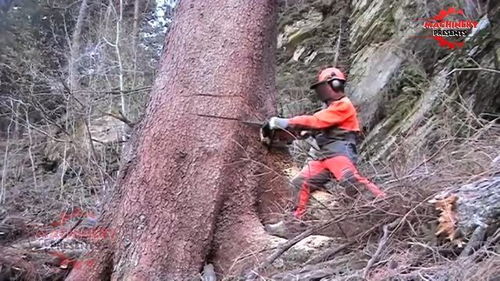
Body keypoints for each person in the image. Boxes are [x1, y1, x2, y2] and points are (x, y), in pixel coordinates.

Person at [267, 67, 386, 219]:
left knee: (350, 179)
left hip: (339, 154)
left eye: (324, 87)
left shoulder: (343, 105)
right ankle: (295, 221)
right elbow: (320, 125)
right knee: (299, 183)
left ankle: (384, 203)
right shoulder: (332, 109)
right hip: (323, 158)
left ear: (336, 85)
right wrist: (306, 132)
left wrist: (287, 122)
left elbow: (316, 121)